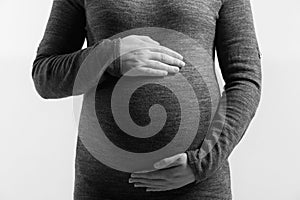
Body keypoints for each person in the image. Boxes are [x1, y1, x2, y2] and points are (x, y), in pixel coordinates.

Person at [32, 0, 262, 199]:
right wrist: (110, 57)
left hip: (197, 187)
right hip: (104, 187)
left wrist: (203, 161)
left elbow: (245, 78)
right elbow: (45, 76)